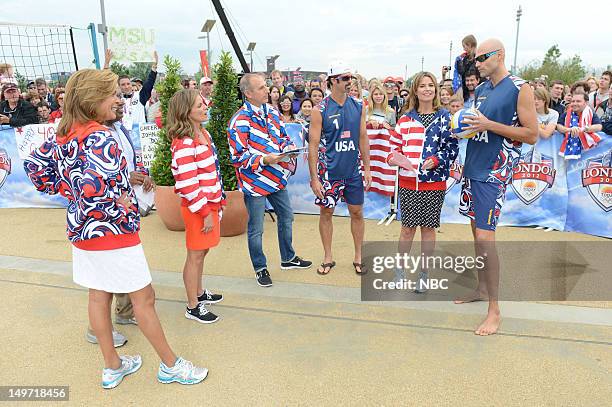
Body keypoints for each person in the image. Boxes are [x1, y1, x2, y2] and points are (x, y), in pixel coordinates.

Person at [23, 69, 208, 388]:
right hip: (114, 232)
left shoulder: (66, 131)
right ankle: (171, 365)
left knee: (98, 295)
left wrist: (69, 190)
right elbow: (97, 184)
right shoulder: (100, 136)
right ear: (93, 99)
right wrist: (116, 202)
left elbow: (35, 166)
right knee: (144, 298)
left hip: (83, 231)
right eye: (113, 95)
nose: (118, 100)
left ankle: (113, 366)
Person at [455, 39, 538, 336]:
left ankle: (495, 310)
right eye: (475, 60)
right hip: (474, 168)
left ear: (500, 55)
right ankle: (480, 288)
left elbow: (531, 134)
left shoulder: (520, 87)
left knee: (485, 237)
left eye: (483, 58)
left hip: (494, 171)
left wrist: (489, 125)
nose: (477, 63)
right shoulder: (484, 88)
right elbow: (479, 125)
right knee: (476, 235)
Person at [85, 86, 155, 347]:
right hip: (103, 221)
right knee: (102, 282)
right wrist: (125, 180)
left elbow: (122, 164)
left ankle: (125, 312)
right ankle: (97, 329)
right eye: (114, 96)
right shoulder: (90, 135)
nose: (121, 101)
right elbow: (92, 179)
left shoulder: (117, 128)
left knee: (121, 269)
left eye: (120, 96)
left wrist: (138, 176)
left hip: (123, 213)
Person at [227, 73, 312, 287]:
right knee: (256, 228)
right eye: (262, 87)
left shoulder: (272, 112)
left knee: (286, 217)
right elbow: (238, 157)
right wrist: (264, 159)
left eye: (266, 86)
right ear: (248, 93)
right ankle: (260, 268)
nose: (267, 90)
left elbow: (282, 137)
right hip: (254, 182)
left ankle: (288, 258)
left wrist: (288, 149)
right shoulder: (239, 121)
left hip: (276, 178)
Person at [387, 72, 458, 292]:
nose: (427, 89)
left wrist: (436, 160)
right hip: (408, 183)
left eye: (431, 85)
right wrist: (394, 158)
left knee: (428, 229)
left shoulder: (446, 118)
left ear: (436, 90)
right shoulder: (405, 120)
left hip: (434, 182)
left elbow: (452, 149)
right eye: (422, 86)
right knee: (407, 229)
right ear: (415, 91)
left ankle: (424, 274)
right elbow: (394, 148)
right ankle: (400, 271)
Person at [308, 61, 372, 275]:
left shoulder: (359, 105)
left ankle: (358, 256)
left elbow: (363, 137)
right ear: (333, 81)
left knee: (357, 212)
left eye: (351, 78)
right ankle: (328, 256)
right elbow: (313, 145)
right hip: (329, 173)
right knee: (326, 212)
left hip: (353, 170)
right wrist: (314, 178)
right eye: (345, 78)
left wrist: (368, 169)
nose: (349, 82)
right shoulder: (320, 110)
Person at [168, 89, 224, 323]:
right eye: (199, 105)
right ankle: (193, 306)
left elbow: (211, 172)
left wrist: (218, 203)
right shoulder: (184, 143)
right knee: (195, 255)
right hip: (198, 209)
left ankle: (199, 293)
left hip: (209, 205)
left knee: (202, 252)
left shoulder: (204, 133)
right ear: (186, 111)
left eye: (204, 103)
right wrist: (205, 212)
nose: (205, 107)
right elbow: (188, 184)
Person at [105, 49, 158, 131]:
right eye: (123, 84)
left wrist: (154, 66)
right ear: (119, 86)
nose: (126, 86)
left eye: (128, 84)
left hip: (139, 134)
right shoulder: (116, 99)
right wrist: (107, 64)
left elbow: (149, 84)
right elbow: (106, 84)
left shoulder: (140, 96)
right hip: (122, 132)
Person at [556, 90, 602, 159]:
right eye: (573, 101)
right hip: (567, 150)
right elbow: (558, 126)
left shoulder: (590, 113)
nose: (574, 103)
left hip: (587, 151)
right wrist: (569, 129)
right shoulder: (567, 113)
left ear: (586, 103)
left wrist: (584, 129)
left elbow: (599, 126)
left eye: (578, 101)